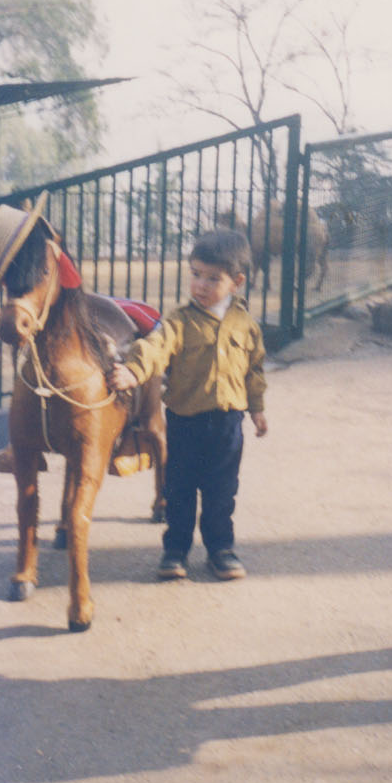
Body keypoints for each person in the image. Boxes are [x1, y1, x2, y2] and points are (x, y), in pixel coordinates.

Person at [109, 229, 268, 582]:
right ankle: (175, 550)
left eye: (213, 278)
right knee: (179, 489)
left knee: (222, 491)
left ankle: (220, 550)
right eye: (196, 274)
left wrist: (257, 408)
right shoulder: (179, 320)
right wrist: (134, 371)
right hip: (184, 422)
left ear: (236, 282)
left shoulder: (245, 324)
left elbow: (254, 368)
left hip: (228, 423)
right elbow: (155, 347)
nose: (201, 285)